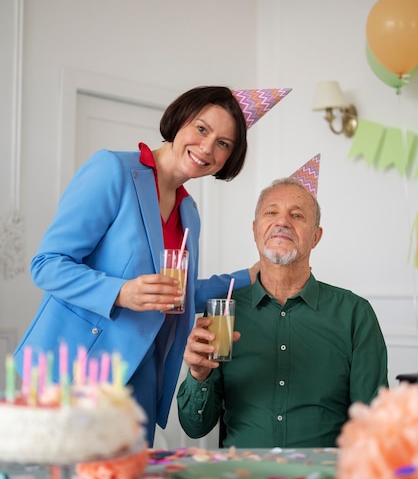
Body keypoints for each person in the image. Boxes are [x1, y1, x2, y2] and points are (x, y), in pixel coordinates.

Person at [13, 85, 290, 445]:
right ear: (179, 120)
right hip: (74, 373)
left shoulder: (189, 212)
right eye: (202, 129)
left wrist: (249, 275)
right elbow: (47, 264)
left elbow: (179, 294)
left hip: (140, 381)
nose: (207, 147)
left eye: (224, 143)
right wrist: (121, 292)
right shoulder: (112, 169)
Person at [177, 155, 388, 448]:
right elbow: (195, 427)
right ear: (255, 230)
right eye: (271, 212)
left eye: (297, 215)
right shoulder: (222, 312)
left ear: (316, 237)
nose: (282, 222)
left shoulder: (355, 314)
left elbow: (375, 427)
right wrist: (199, 375)